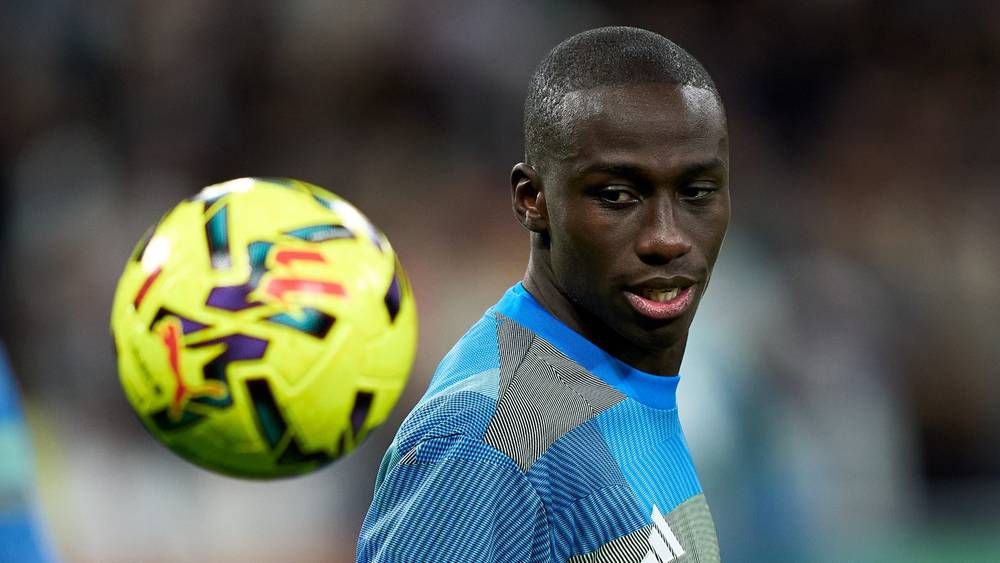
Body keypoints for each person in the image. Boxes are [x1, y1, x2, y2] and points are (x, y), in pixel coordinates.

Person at [358, 26, 729, 562]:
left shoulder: (625, 387)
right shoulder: (491, 439)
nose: (667, 238)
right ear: (532, 200)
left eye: (696, 192)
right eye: (617, 196)